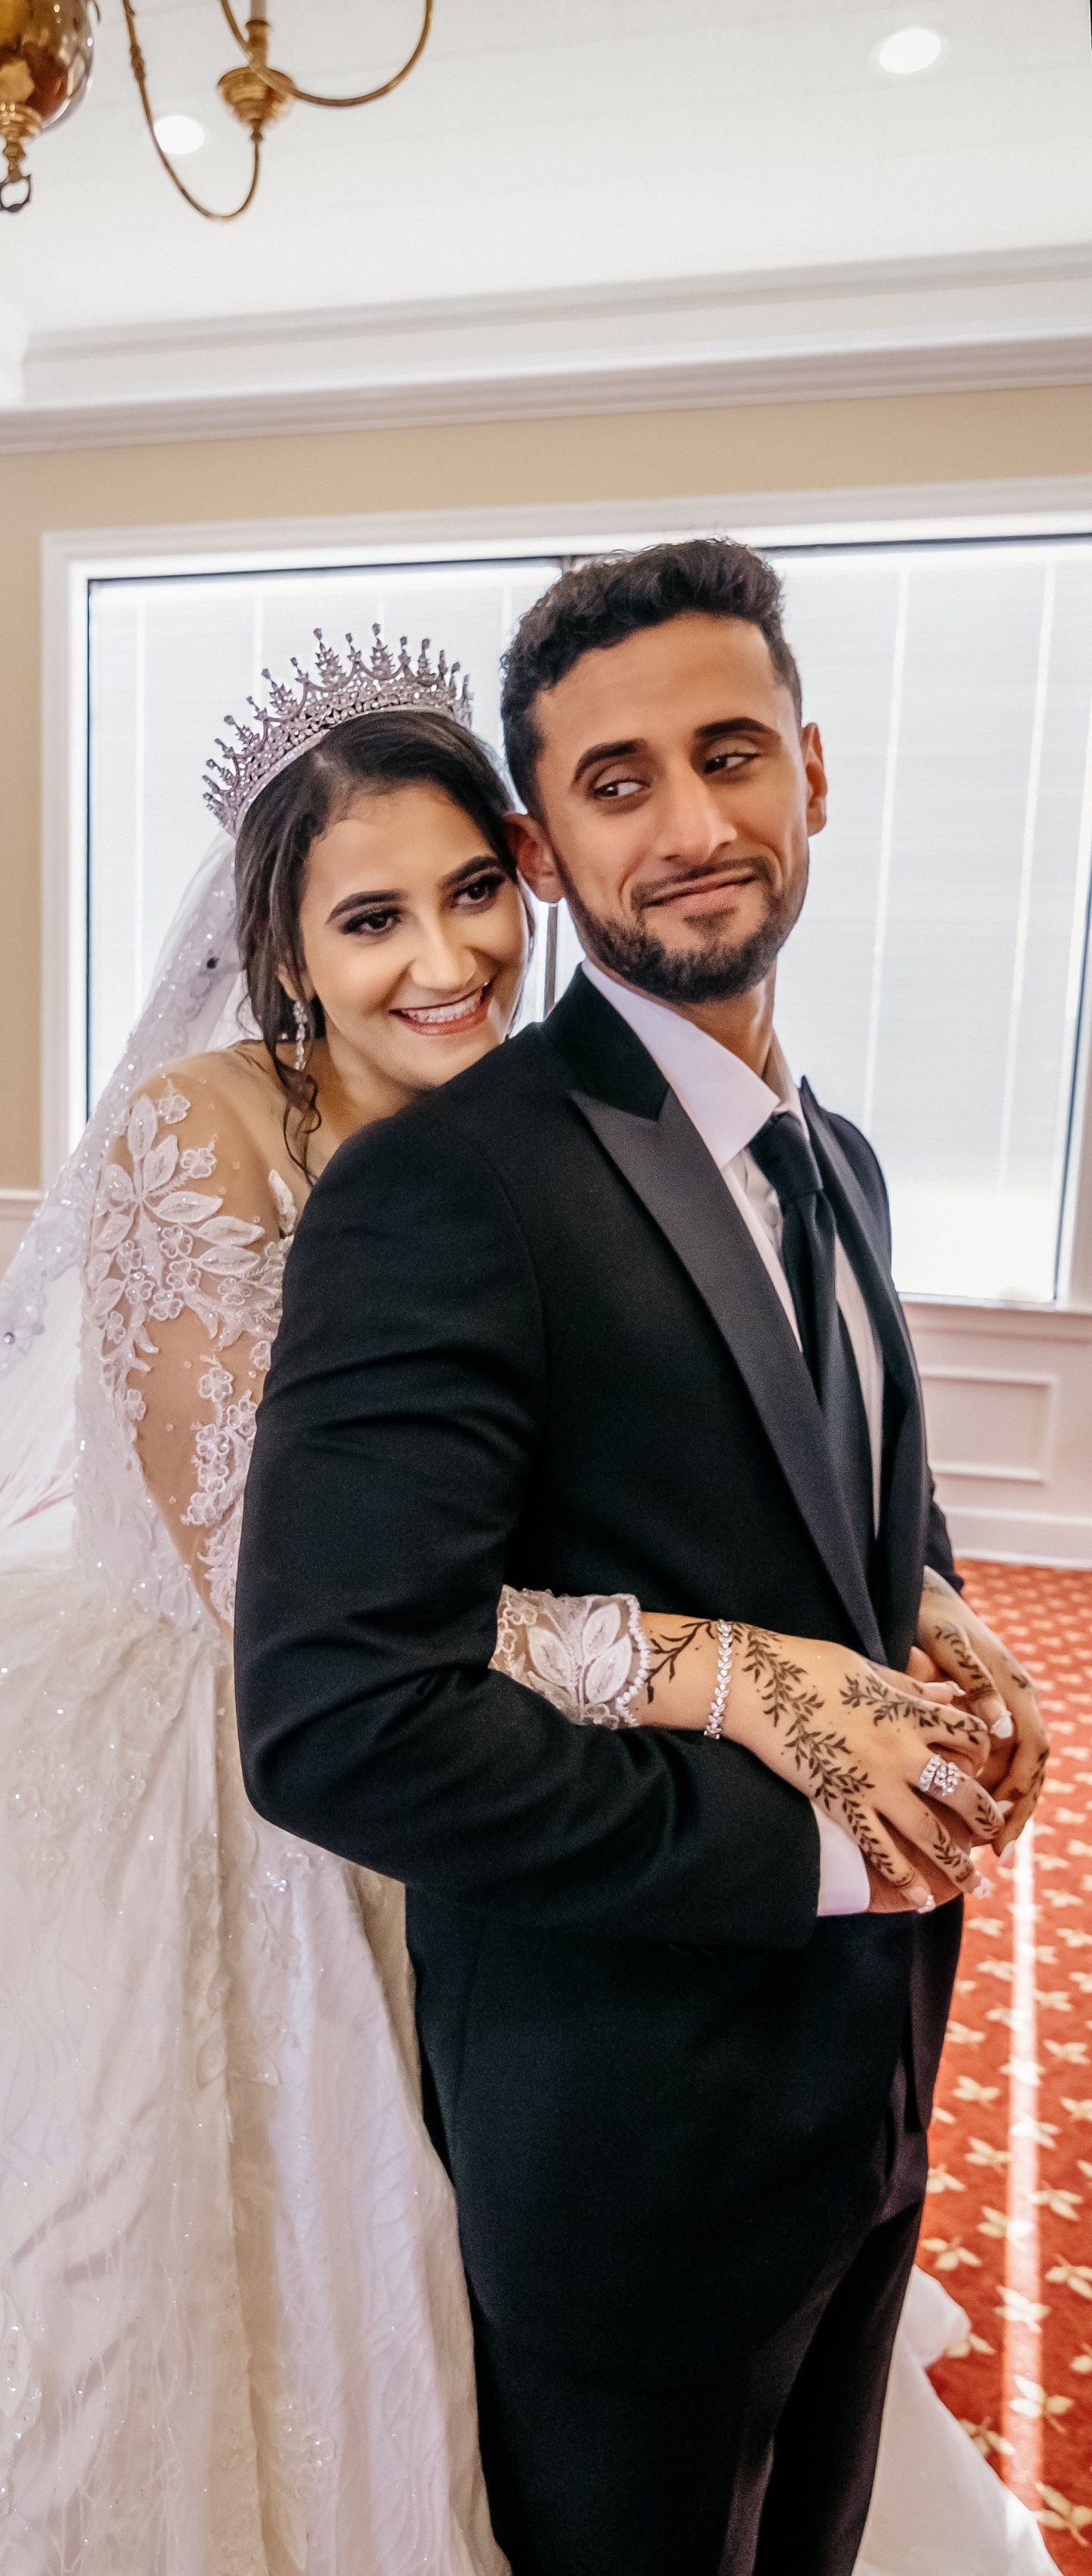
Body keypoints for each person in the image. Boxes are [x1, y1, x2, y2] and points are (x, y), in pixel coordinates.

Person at [0, 627, 1047, 2576]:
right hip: (215, 1748)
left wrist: (916, 1591)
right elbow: (271, 1594)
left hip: (539, 1801)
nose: (445, 959)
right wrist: (725, 1671)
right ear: (289, 954)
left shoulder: (585, 1118)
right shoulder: (202, 1134)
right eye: (372, 919)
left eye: (472, 892)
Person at [234, 549, 1052, 2576]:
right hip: (631, 2144)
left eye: (730, 753)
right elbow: (339, 1720)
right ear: (546, 842)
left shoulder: (840, 1158)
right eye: (618, 783)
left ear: (813, 774)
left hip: (871, 2092)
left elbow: (821, 1477)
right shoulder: (440, 1190)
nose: (690, 824)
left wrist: (940, 1603)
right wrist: (810, 1847)